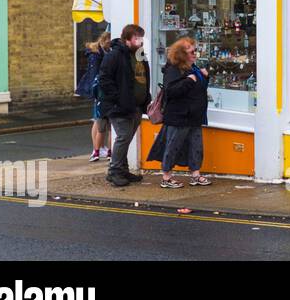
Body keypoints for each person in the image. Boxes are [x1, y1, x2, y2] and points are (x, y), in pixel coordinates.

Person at [147, 37, 211, 188]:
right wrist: (189, 80)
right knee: (173, 146)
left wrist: (205, 78)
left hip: (194, 115)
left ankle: (195, 174)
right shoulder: (173, 69)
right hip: (179, 116)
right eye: (192, 51)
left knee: (196, 146)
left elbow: (199, 89)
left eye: (196, 50)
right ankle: (166, 177)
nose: (195, 53)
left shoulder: (193, 68)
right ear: (182, 54)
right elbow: (171, 91)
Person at [97, 25, 149, 187]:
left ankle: (123, 170)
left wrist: (146, 97)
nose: (140, 41)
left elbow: (143, 77)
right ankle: (114, 172)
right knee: (123, 137)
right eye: (136, 38)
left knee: (126, 138)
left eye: (141, 37)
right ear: (127, 39)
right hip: (119, 106)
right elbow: (104, 79)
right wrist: (118, 98)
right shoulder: (115, 55)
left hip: (137, 105)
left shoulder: (140, 55)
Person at [77, 32, 112, 161]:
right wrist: (97, 91)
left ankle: (100, 148)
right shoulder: (96, 54)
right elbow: (95, 74)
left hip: (100, 90)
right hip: (99, 90)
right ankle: (97, 149)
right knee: (98, 119)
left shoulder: (103, 51)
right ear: (105, 40)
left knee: (98, 120)